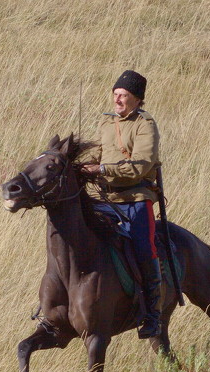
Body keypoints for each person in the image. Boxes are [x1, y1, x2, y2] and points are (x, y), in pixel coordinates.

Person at [83, 70, 162, 339]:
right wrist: (81, 167)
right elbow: (97, 153)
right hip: (107, 199)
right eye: (115, 94)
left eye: (123, 95)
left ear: (137, 100)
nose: (117, 100)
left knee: (144, 249)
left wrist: (102, 169)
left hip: (136, 198)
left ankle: (153, 314)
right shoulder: (106, 123)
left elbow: (140, 166)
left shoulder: (145, 125)